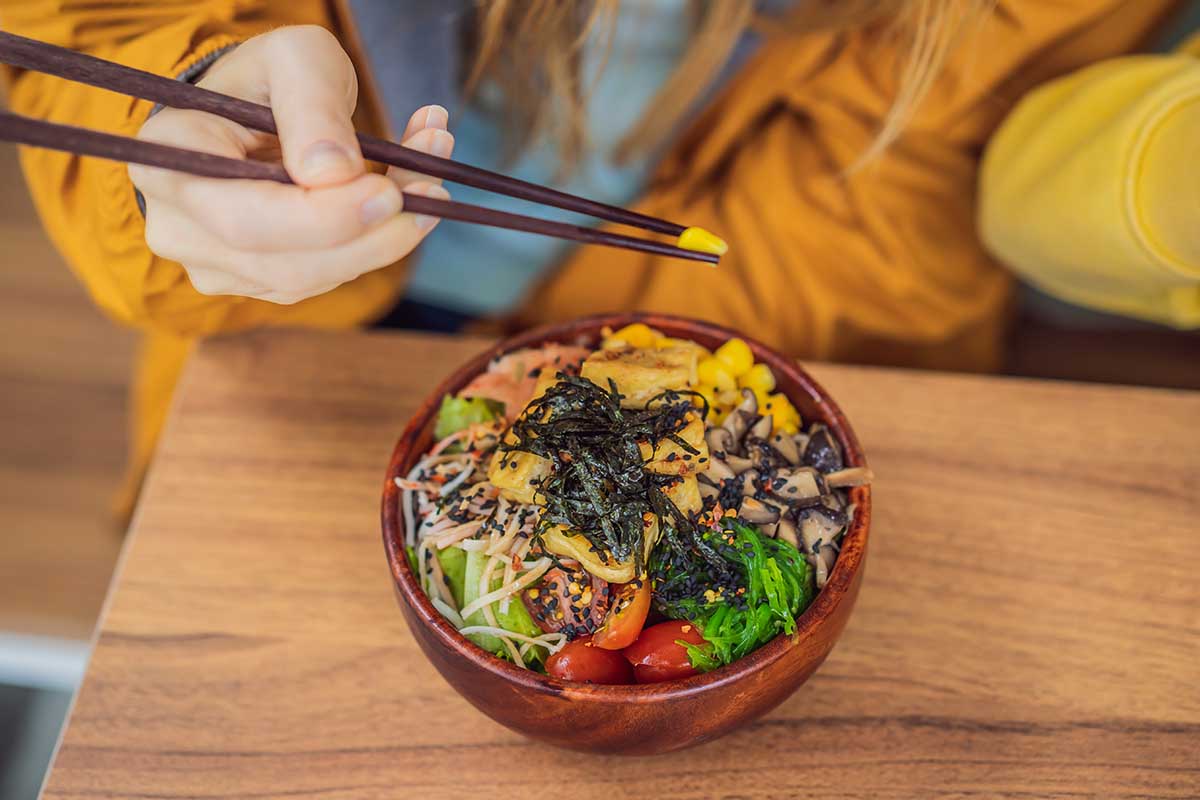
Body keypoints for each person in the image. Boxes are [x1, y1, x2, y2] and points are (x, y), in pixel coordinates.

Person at [0, 0, 1190, 514]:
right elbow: (89, 37)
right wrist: (177, 134)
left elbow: (870, 248)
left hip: (697, 360)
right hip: (274, 379)